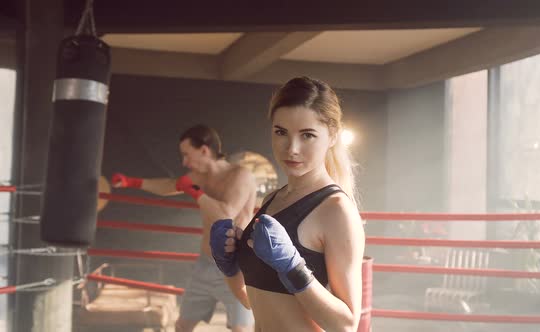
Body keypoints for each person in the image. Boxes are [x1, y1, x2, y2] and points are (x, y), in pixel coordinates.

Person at [210, 76, 365, 331]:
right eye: (281, 132)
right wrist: (229, 267)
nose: (292, 148)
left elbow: (346, 325)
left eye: (307, 135)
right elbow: (254, 301)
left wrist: (294, 268)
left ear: (333, 136)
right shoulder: (273, 199)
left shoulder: (336, 210)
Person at [111, 124, 255, 332]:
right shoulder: (200, 177)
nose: (184, 162)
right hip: (205, 264)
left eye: (187, 155)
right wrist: (131, 182)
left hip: (236, 268)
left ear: (204, 150)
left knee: (241, 330)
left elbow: (225, 215)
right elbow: (170, 185)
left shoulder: (241, 176)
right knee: (182, 326)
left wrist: (197, 193)